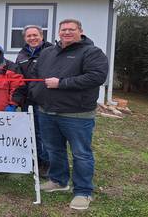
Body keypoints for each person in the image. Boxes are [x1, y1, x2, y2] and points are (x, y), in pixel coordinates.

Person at [30, 19, 108, 210]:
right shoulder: (48, 52)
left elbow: (97, 77)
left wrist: (61, 83)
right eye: (63, 29)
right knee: (53, 149)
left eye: (71, 29)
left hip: (77, 114)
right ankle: (58, 180)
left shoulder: (91, 52)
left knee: (81, 154)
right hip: (47, 111)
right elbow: (35, 75)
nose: (66, 32)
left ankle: (83, 191)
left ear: (80, 31)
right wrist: (37, 93)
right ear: (58, 32)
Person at [15, 25, 53, 177]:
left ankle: (48, 163)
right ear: (25, 38)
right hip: (28, 100)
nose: (32, 38)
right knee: (31, 131)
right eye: (28, 36)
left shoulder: (51, 51)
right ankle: (35, 160)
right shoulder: (22, 55)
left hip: (46, 99)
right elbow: (18, 78)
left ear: (41, 35)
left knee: (46, 133)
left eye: (35, 35)